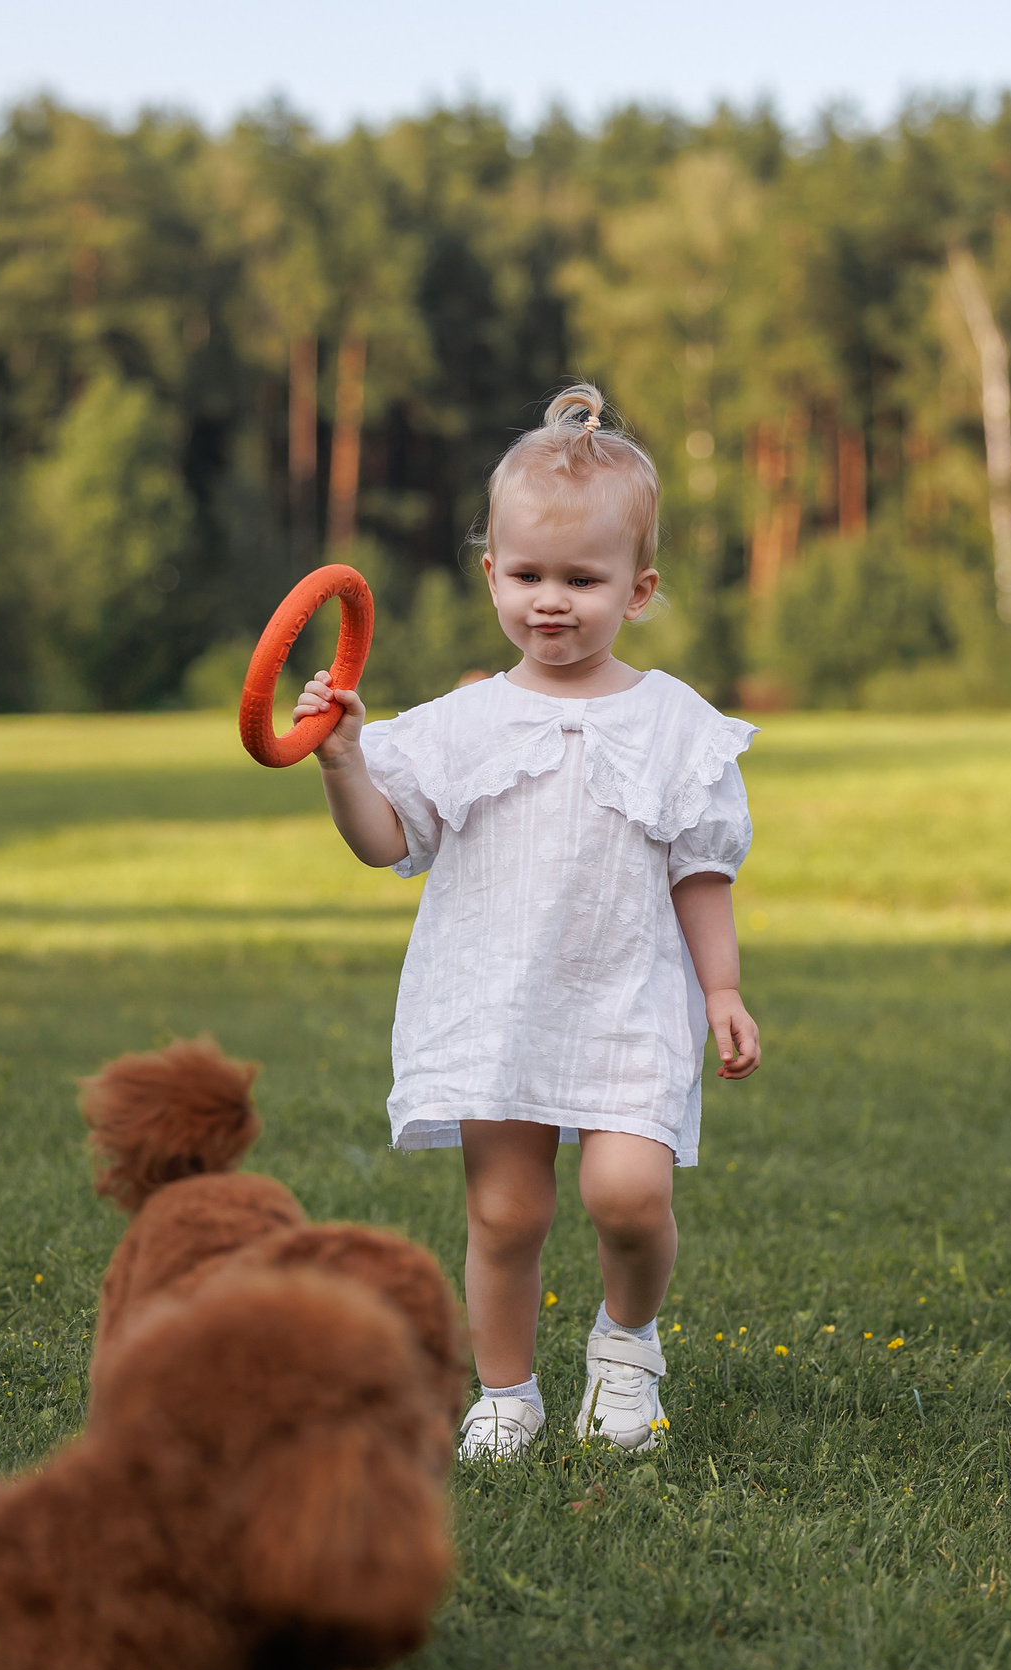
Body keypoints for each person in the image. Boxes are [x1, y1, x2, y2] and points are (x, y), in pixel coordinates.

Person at [289, 380, 761, 1461]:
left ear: (637, 590)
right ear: (491, 571)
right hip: (496, 999)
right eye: (529, 575)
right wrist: (343, 760)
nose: (553, 602)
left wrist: (723, 988)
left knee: (629, 1195)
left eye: (583, 580)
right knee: (505, 1214)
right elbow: (384, 841)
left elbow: (701, 871)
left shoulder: (673, 724)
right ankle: (506, 1393)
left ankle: (626, 1349)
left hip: (627, 999)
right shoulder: (458, 725)